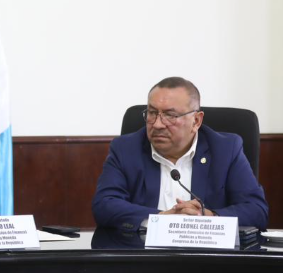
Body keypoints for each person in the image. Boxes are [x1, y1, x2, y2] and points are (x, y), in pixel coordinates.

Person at [92, 77, 269, 231]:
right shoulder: (126, 148)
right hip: (143, 257)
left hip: (208, 259)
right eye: (152, 113)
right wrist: (161, 219)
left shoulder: (226, 149)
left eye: (170, 115)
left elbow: (256, 210)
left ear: (196, 121)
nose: (158, 124)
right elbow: (104, 205)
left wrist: (210, 217)